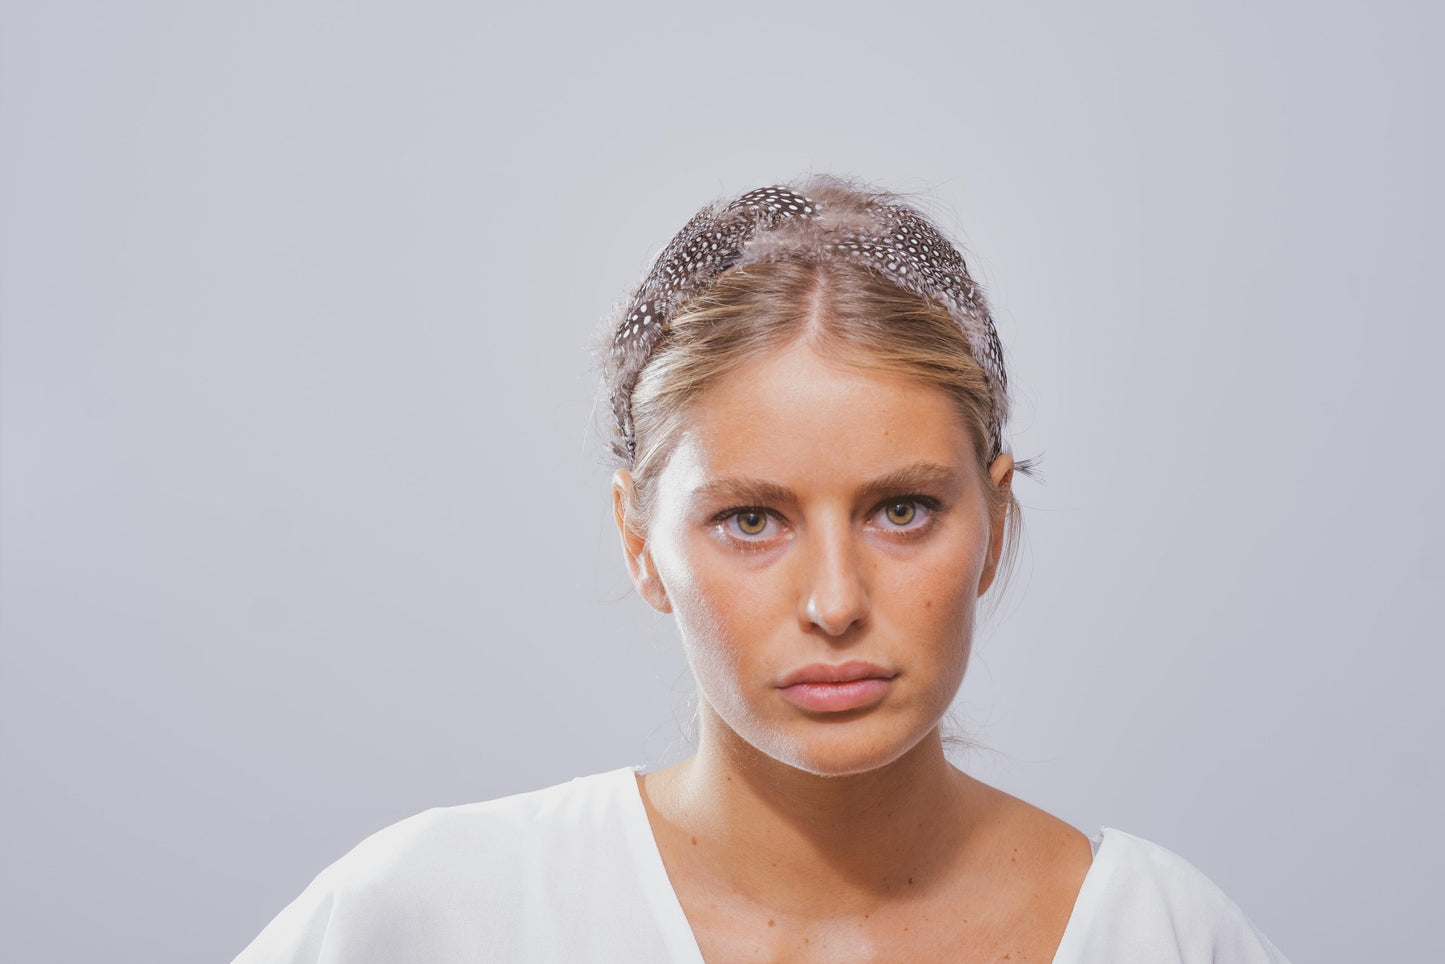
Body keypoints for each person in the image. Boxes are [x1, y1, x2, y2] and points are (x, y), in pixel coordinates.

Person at [233, 177, 1289, 963]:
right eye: (749, 519)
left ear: (994, 522)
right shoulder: (435, 919)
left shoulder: (1162, 937)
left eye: (901, 508)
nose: (834, 602)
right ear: (639, 541)